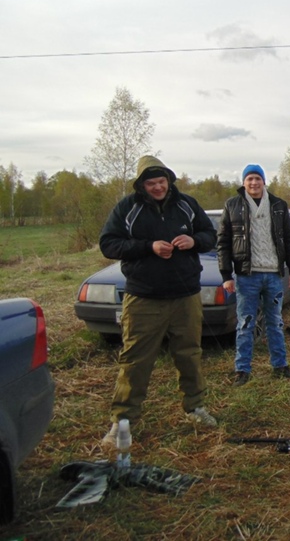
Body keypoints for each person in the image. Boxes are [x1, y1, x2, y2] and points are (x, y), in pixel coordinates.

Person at [100, 155, 218, 448]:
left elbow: (210, 235)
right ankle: (122, 422)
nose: (157, 187)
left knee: (189, 353)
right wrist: (147, 247)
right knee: (135, 360)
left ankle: (195, 407)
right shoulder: (127, 208)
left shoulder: (187, 204)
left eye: (161, 181)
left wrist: (194, 241)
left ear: (169, 180)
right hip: (144, 297)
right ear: (141, 185)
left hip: (186, 294)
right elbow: (108, 244)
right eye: (151, 183)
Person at [217, 164, 290, 386]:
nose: (253, 183)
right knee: (245, 323)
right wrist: (226, 275)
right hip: (246, 276)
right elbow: (223, 243)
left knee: (275, 322)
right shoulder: (232, 205)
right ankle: (242, 370)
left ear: (264, 181)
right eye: (249, 179)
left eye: (257, 178)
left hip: (274, 275)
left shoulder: (278, 206)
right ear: (243, 182)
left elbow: (289, 240)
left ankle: (280, 366)